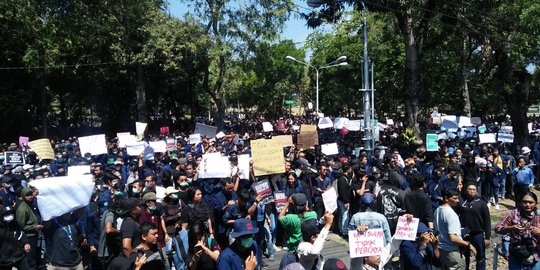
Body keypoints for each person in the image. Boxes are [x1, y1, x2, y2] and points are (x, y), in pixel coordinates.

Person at [495, 191, 540, 269]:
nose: (527, 205)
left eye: (531, 202)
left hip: (536, 254)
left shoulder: (538, 215)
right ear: (520, 202)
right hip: (517, 253)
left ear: (536, 203)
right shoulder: (513, 214)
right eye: (525, 202)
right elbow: (497, 228)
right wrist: (511, 228)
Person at [434, 188, 476, 270]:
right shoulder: (451, 214)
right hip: (451, 251)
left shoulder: (438, 210)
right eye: (455, 198)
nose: (458, 201)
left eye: (458, 198)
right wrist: (468, 244)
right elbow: (453, 238)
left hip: (441, 249)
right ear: (446, 198)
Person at [457, 183, 491, 270]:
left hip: (478, 234)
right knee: (465, 256)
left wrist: (487, 237)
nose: (472, 191)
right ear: (466, 190)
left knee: (480, 256)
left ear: (476, 191)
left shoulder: (481, 203)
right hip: (465, 234)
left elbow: (487, 220)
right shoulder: (461, 202)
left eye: (474, 189)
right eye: (470, 189)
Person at [15, 186, 43, 269]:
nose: (30, 196)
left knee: (35, 254)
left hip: (35, 234)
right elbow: (20, 227)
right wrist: (35, 227)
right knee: (30, 258)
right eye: (28, 195)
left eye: (31, 194)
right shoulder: (22, 209)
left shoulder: (30, 204)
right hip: (28, 237)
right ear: (23, 196)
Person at [0, 205, 31, 270]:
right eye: (7, 214)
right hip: (4, 260)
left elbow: (21, 235)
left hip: (19, 256)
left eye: (11, 213)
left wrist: (26, 243)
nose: (10, 216)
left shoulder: (16, 224)